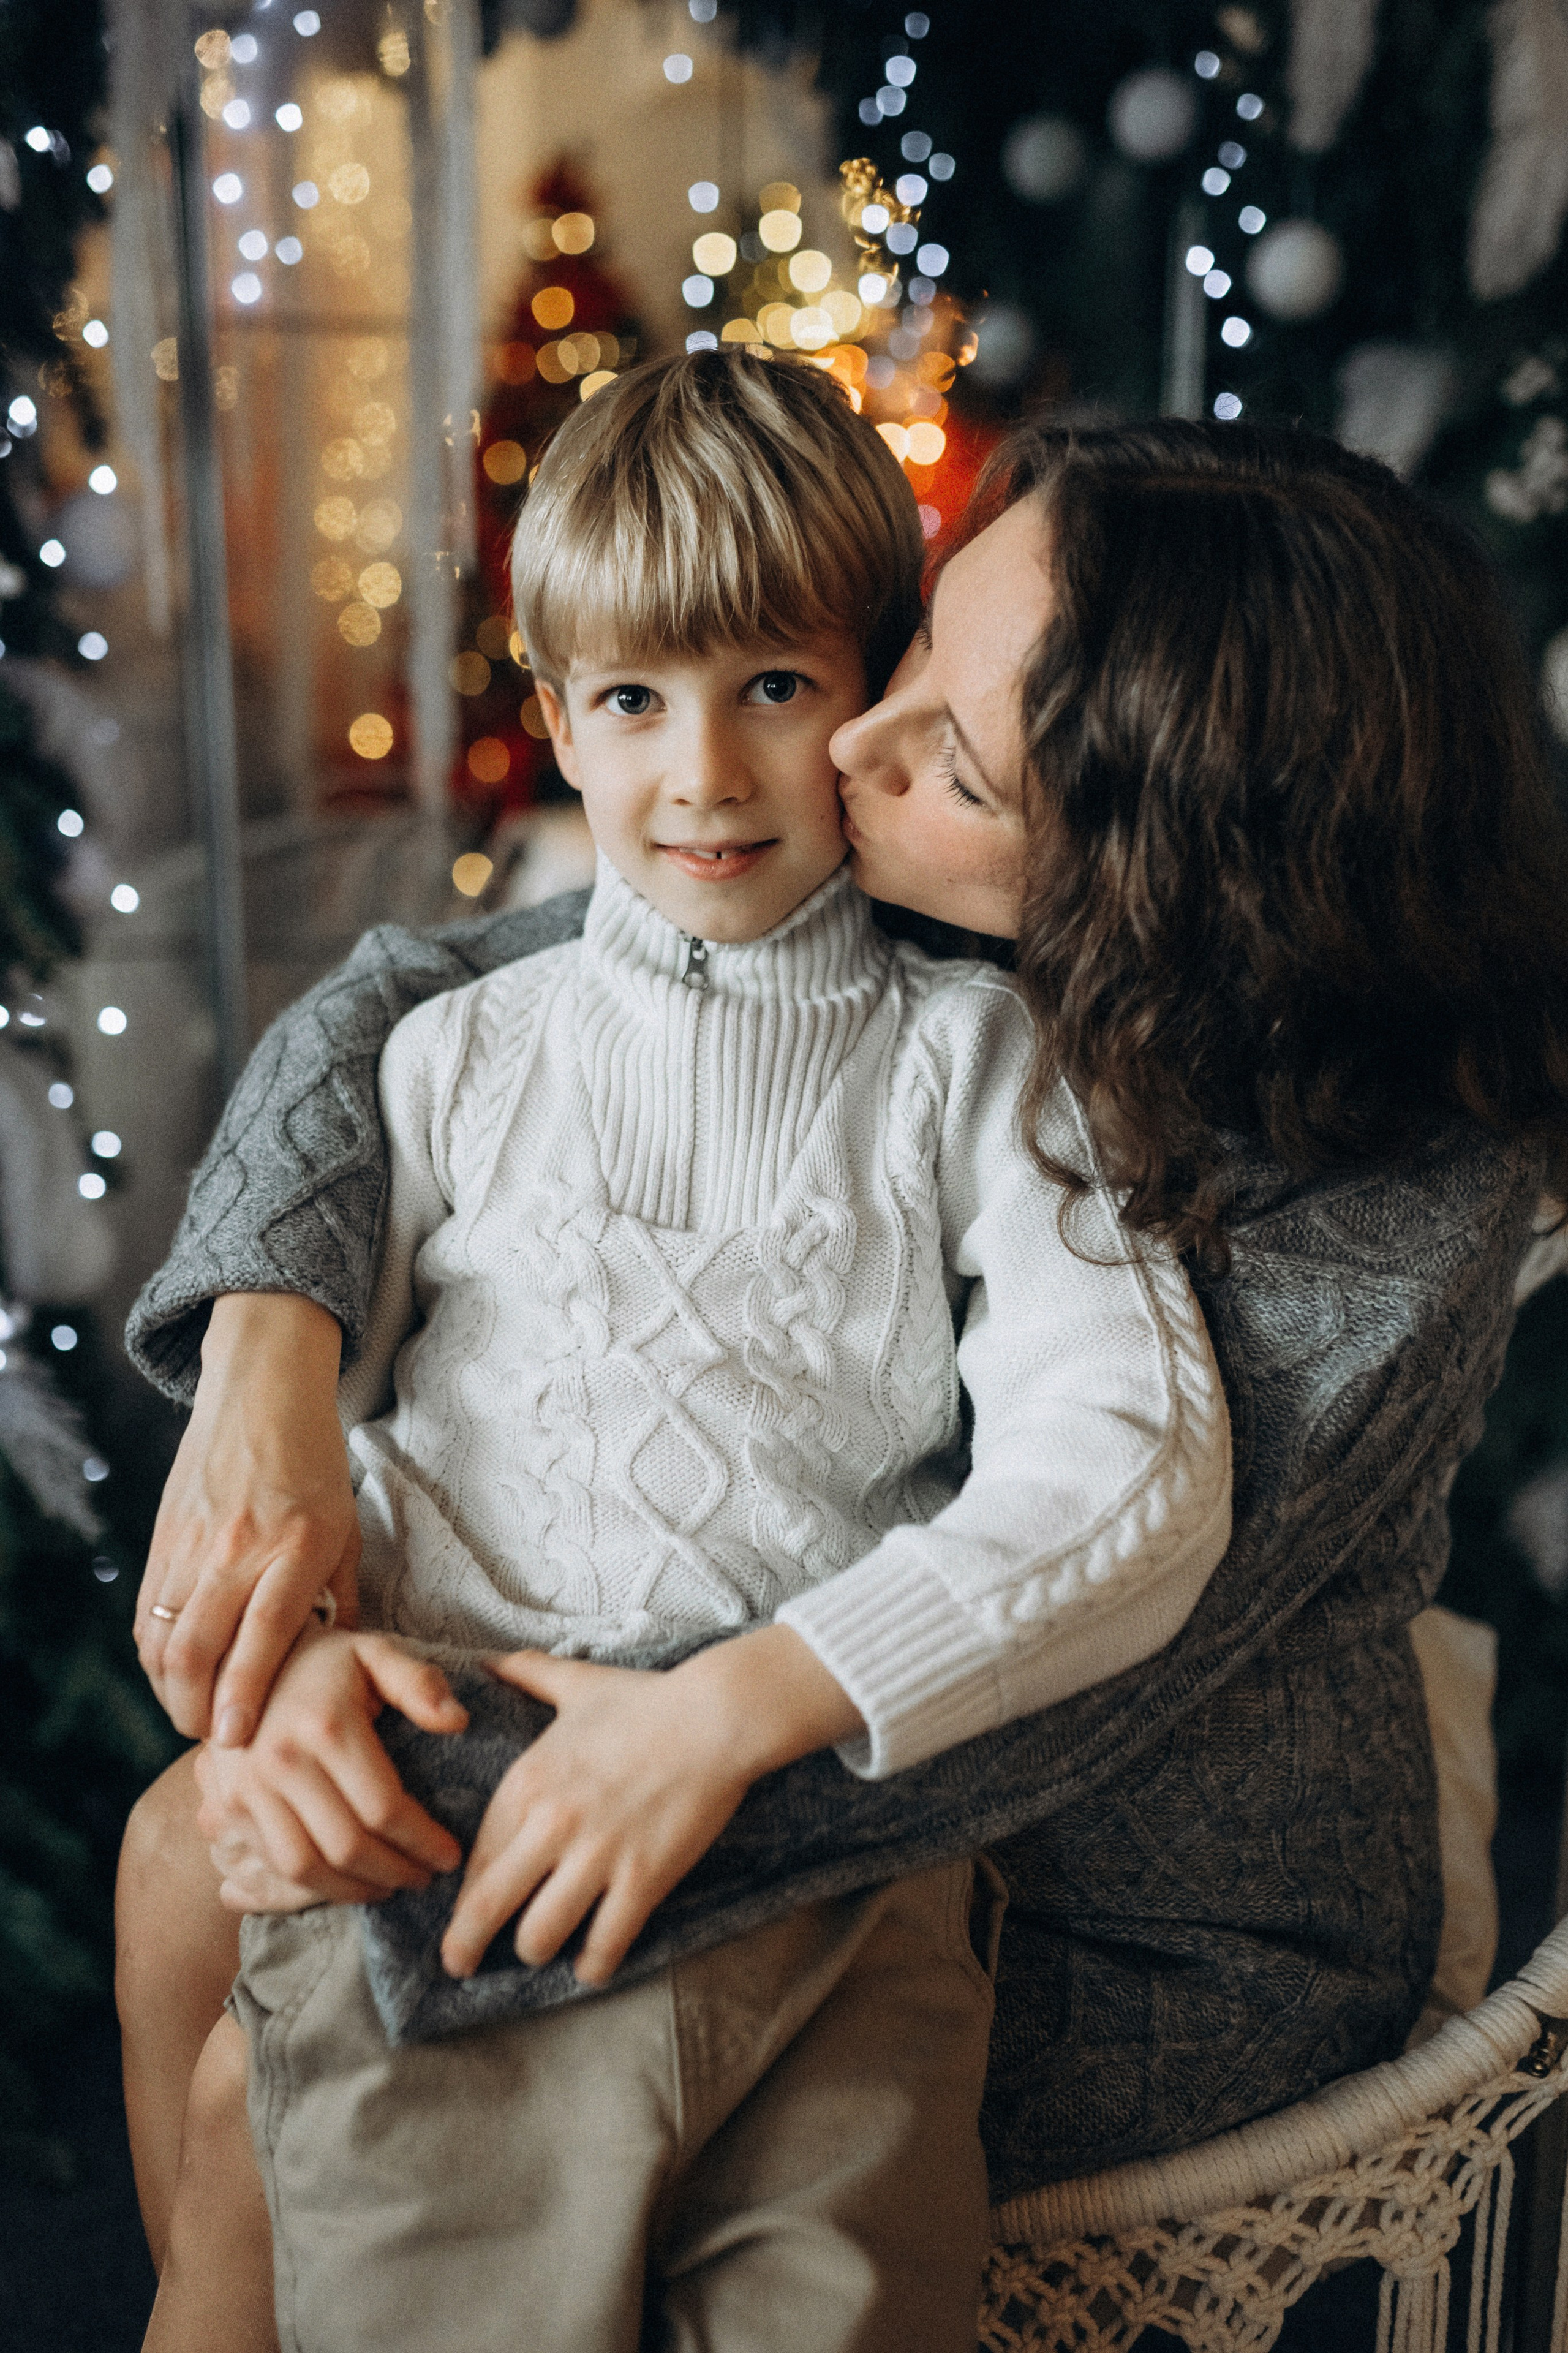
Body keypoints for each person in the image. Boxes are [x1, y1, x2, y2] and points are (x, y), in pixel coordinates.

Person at [121, 398, 1568, 2338]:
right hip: (804, 1738)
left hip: (1112, 1889)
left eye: (938, 747)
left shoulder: (1353, 1213)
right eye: (906, 665)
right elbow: (424, 994)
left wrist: (462, 1777)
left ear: (1148, 880)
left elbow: (1074, 1625)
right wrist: (266, 1375)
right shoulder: (905, 880)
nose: (841, 758)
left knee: (264, 2067)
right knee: (190, 1866)